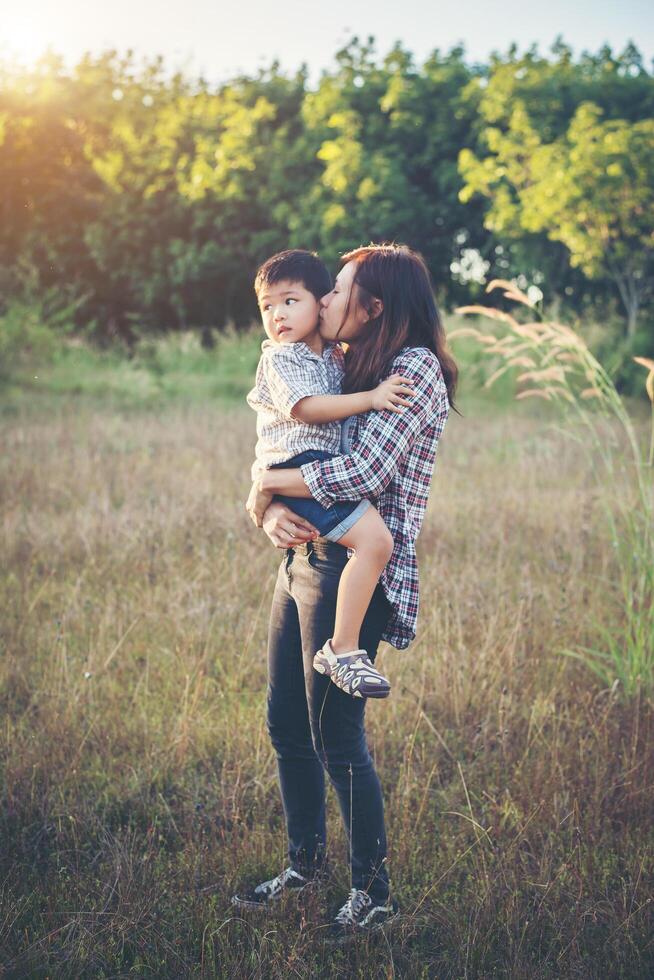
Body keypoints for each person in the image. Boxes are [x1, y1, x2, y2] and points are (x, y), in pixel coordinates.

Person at [234, 244, 457, 938]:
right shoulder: (339, 361)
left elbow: (360, 473)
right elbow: (283, 435)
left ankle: (374, 892)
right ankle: (305, 865)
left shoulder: (411, 369)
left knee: (336, 734)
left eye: (338, 293)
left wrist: (268, 487)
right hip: (306, 553)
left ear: (375, 306)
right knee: (286, 723)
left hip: (355, 569)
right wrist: (265, 503)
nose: (324, 302)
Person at [247, 248, 417, 699]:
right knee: (376, 541)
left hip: (308, 472)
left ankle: (342, 645)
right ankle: (341, 648)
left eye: (290, 301)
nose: (277, 315)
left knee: (375, 541)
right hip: (299, 466)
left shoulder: (335, 356)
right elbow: (306, 410)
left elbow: (363, 463)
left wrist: (264, 488)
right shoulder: (281, 358)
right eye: (267, 306)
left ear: (322, 301)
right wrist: (371, 398)